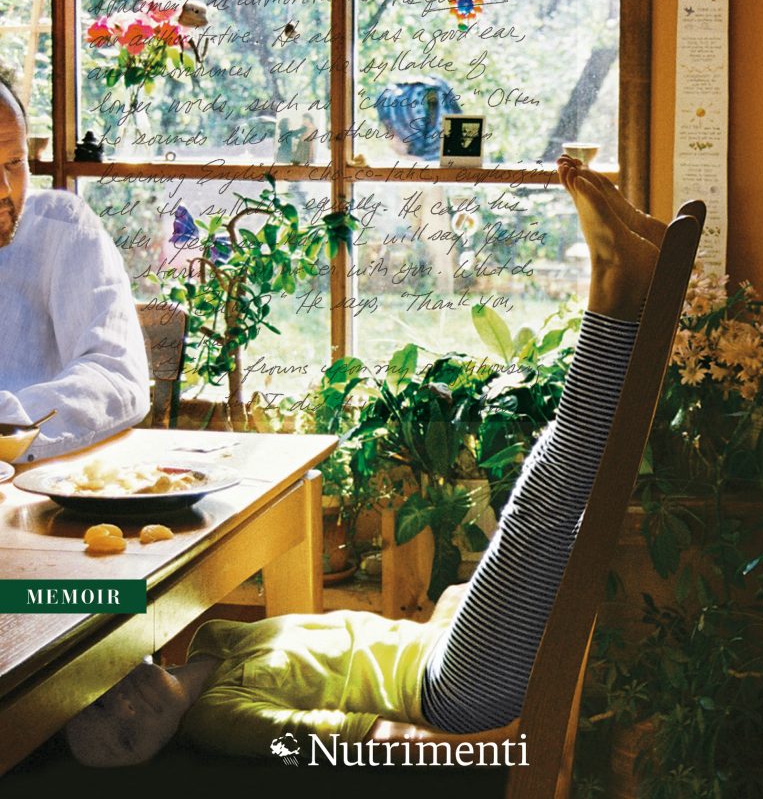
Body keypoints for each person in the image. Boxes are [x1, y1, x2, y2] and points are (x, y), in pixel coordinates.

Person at [65, 157, 667, 767]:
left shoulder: (214, 639)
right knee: (544, 503)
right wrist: (488, 754)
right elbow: (345, 747)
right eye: (127, 738)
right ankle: (616, 283)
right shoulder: (220, 721)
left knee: (538, 519)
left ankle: (629, 280)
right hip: (453, 695)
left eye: (99, 710)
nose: (127, 709)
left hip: (434, 655)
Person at [0, 71, 149, 460]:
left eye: (15, 163)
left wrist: (10, 425)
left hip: (30, 490)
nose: (4, 187)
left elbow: (114, 375)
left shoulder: (61, 228)